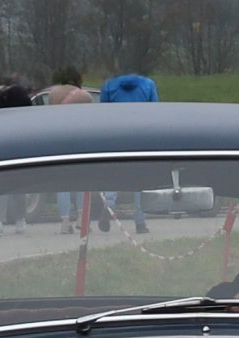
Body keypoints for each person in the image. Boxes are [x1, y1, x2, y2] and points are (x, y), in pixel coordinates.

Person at [98, 74, 159, 235]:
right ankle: (140, 221)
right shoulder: (148, 85)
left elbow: (101, 114)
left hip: (116, 138)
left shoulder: (109, 86)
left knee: (114, 175)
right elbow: (155, 112)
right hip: (141, 138)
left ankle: (109, 206)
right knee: (140, 180)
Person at [0, 83, 33, 237]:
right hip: (20, 146)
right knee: (18, 185)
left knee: (1, 184)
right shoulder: (24, 99)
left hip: (0, 146)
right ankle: (19, 220)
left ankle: (0, 221)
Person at [48, 85, 94, 233]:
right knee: (82, 184)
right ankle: (81, 218)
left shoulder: (54, 97)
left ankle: (65, 221)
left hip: (59, 149)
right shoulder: (84, 98)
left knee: (62, 186)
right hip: (80, 148)